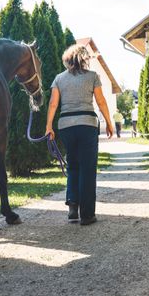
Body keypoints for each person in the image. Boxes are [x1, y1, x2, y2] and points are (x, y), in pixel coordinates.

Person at [46, 44, 113, 225]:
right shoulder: (92, 77)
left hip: (66, 126)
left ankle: (73, 207)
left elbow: (53, 104)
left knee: (73, 165)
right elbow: (101, 101)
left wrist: (48, 126)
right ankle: (87, 215)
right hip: (87, 125)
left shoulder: (59, 78)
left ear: (67, 60)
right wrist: (109, 122)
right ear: (84, 59)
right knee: (87, 168)